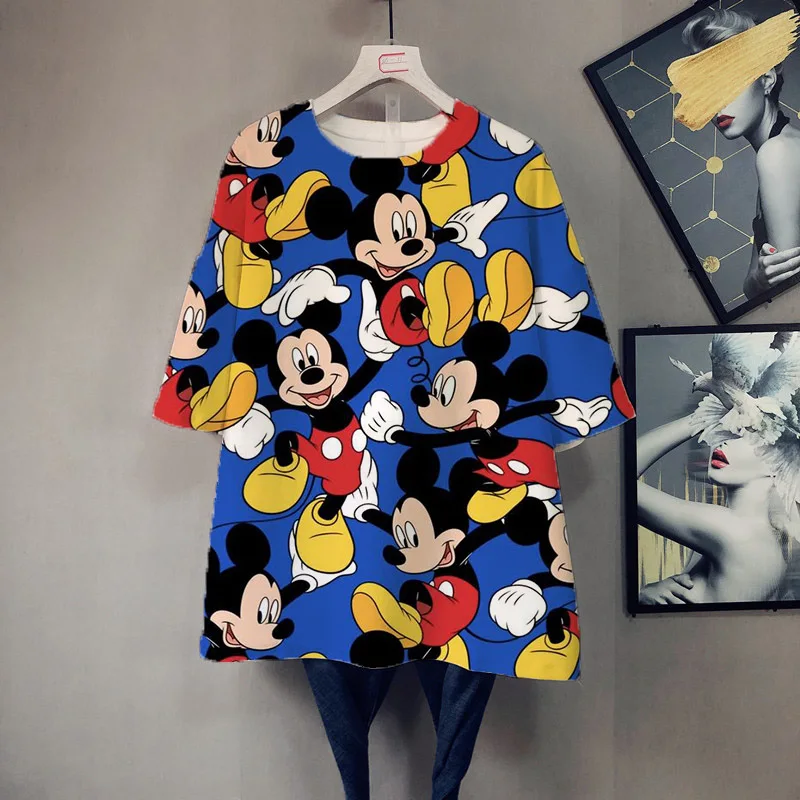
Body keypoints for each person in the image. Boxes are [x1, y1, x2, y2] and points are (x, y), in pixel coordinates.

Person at [681, 10, 800, 298]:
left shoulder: (776, 153)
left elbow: (784, 291)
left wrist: (761, 281)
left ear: (767, 79)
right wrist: (760, 279)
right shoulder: (784, 145)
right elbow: (757, 282)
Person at [637, 415, 794, 605]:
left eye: (743, 434)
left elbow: (618, 480)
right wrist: (646, 596)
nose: (721, 441)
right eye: (723, 430)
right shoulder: (767, 538)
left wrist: (703, 416)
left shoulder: (734, 530)